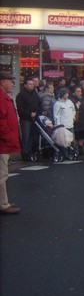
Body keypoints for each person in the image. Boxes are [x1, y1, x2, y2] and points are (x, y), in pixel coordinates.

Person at [0, 71, 21, 215]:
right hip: (2, 143)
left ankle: (4, 200)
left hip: (5, 142)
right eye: (10, 81)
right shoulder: (2, 99)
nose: (13, 84)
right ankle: (3, 204)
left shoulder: (5, 98)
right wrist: (8, 136)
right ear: (2, 82)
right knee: (2, 175)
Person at [15, 77, 40, 161]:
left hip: (35, 118)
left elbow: (38, 103)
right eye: (30, 84)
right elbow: (20, 108)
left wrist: (37, 112)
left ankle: (32, 153)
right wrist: (29, 113)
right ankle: (25, 154)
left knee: (33, 136)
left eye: (32, 84)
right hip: (26, 119)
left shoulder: (35, 93)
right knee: (26, 137)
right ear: (25, 85)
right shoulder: (21, 95)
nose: (32, 86)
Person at [52, 87, 76, 159]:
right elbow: (56, 115)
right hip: (63, 126)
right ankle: (65, 154)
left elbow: (73, 110)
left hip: (70, 124)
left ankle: (71, 153)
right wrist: (58, 125)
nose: (67, 95)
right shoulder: (58, 104)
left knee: (71, 140)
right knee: (64, 141)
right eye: (66, 93)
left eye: (68, 93)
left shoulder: (70, 102)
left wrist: (73, 118)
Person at [71, 85, 84, 156]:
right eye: (77, 91)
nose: (79, 93)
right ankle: (74, 149)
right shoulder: (73, 100)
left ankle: (81, 149)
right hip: (77, 120)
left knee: (81, 136)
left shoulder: (82, 99)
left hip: (83, 120)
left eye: (80, 91)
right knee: (77, 135)